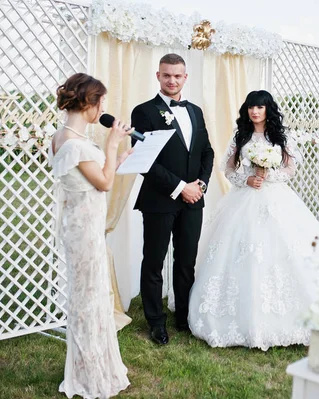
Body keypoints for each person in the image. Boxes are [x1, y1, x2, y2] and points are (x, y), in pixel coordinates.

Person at [187, 90, 319, 351]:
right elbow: (229, 169)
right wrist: (247, 179)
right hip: (244, 198)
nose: (255, 112)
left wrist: (269, 177)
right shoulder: (241, 135)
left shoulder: (281, 135)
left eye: (260, 107)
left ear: (268, 109)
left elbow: (290, 167)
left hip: (277, 197)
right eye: (251, 107)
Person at [49, 73, 131, 398]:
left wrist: (118, 157)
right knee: (88, 300)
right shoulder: (74, 143)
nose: (102, 109)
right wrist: (112, 144)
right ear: (89, 102)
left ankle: (91, 365)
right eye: (101, 102)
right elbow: (105, 183)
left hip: (81, 227)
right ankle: (88, 372)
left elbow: (94, 177)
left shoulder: (63, 138)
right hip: (84, 234)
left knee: (89, 298)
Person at [130, 53, 214, 345]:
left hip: (194, 200)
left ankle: (184, 317)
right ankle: (156, 322)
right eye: (167, 75)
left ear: (185, 77)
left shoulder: (195, 111)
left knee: (186, 261)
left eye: (177, 76)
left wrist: (200, 184)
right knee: (153, 261)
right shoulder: (143, 112)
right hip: (159, 199)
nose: (172, 80)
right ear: (158, 76)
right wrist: (180, 187)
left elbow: (207, 152)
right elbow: (145, 161)